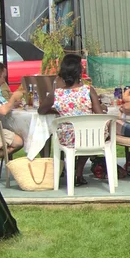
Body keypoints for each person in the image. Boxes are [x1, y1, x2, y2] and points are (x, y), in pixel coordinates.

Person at [40, 53, 103, 188]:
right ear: (79, 73)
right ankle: (78, 172)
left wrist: (56, 110)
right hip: (89, 136)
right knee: (95, 135)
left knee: (74, 135)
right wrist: (100, 107)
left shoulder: (56, 94)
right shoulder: (88, 90)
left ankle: (72, 172)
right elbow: (99, 115)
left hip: (67, 138)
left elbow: (41, 110)